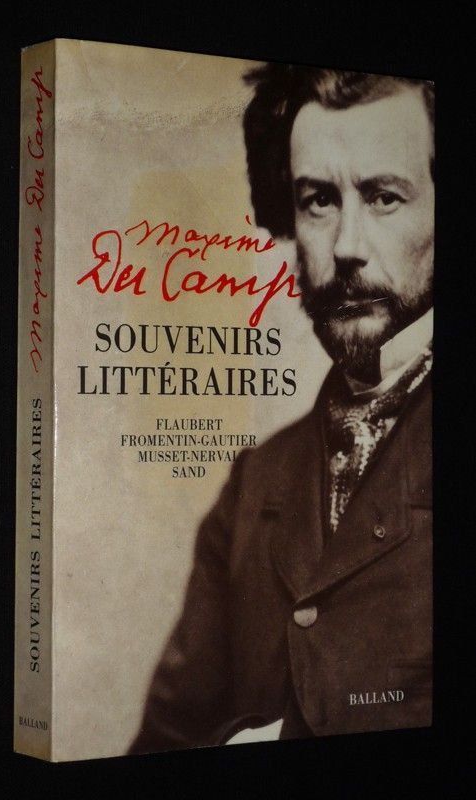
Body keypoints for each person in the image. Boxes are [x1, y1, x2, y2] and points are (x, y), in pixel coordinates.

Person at [129, 64, 434, 753]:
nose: (346, 247)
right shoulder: (256, 481)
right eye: (318, 200)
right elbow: (165, 742)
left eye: (384, 197)